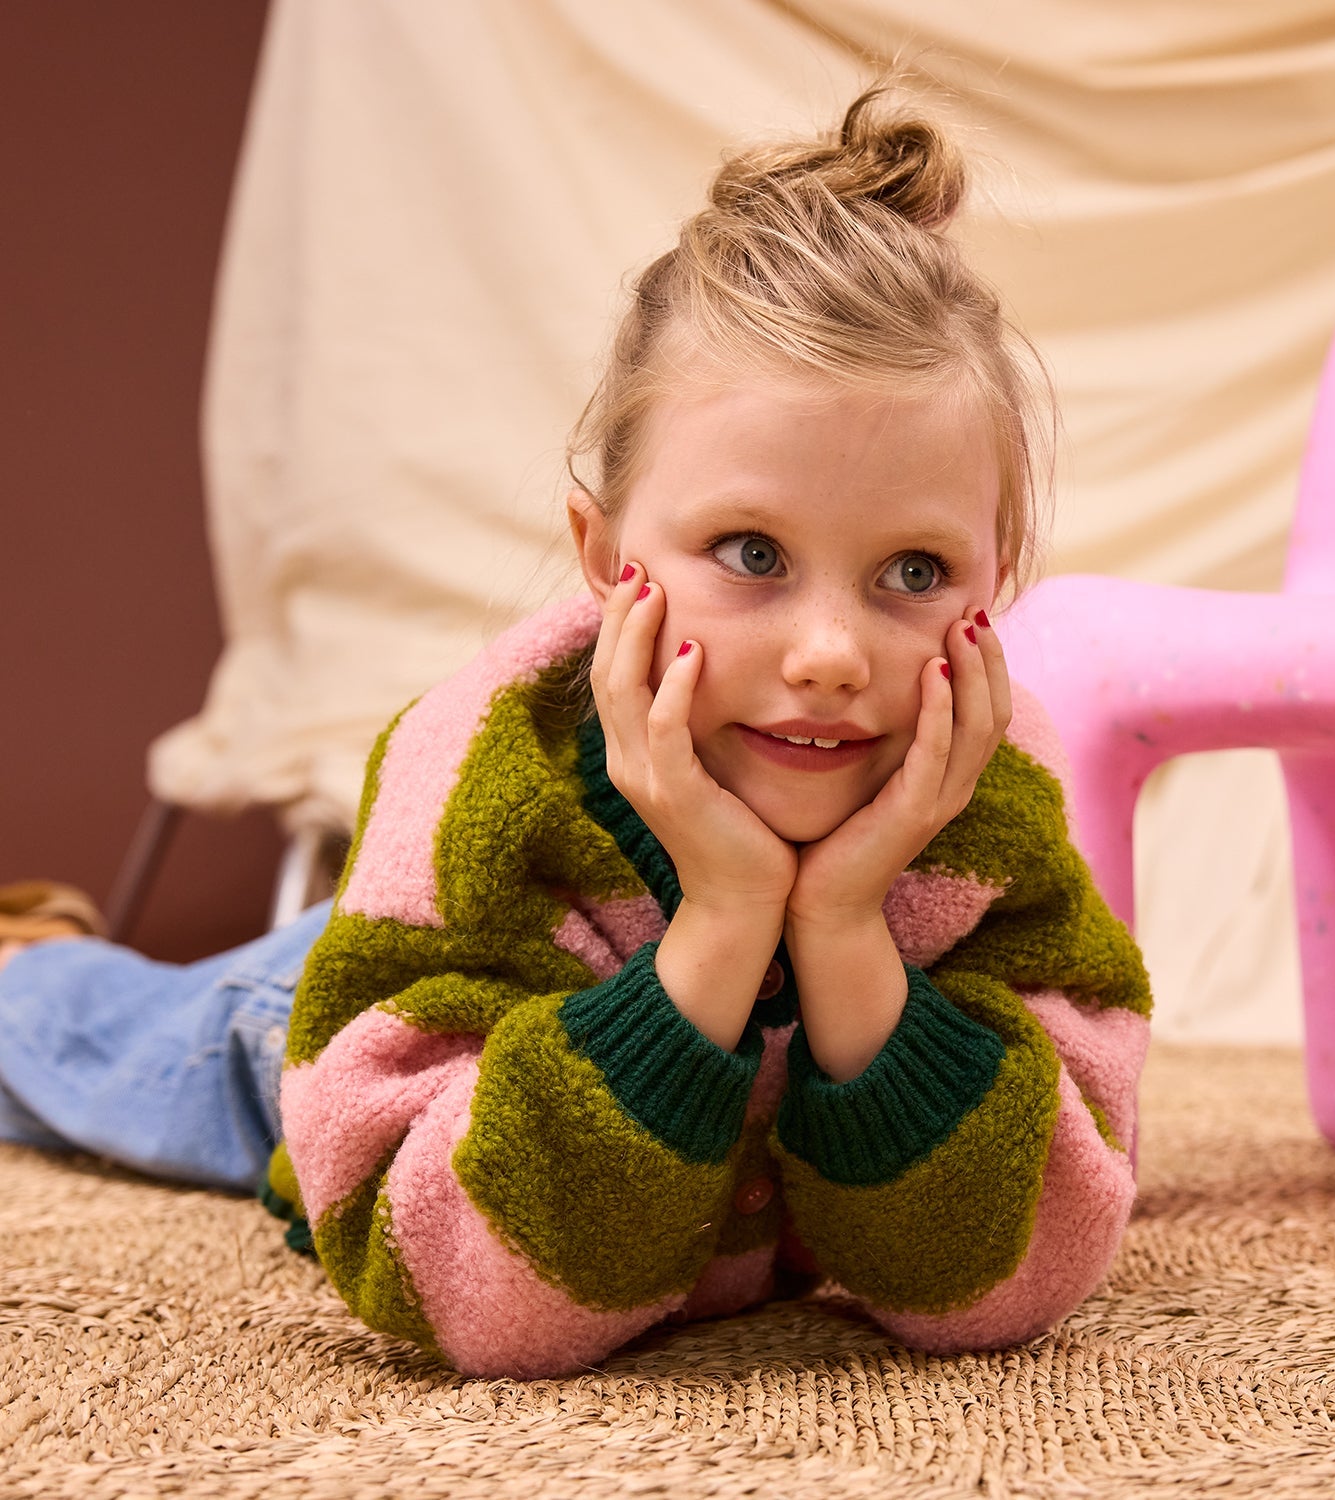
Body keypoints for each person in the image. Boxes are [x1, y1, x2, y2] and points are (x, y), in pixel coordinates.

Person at [0, 88, 1151, 1379]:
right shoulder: (486, 772)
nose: (830, 658)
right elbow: (464, 1293)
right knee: (122, 1047)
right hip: (420, 991)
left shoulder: (991, 792)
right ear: (604, 559)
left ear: (996, 583)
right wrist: (721, 923)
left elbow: (1026, 1259)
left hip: (552, 999)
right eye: (753, 553)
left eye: (914, 574)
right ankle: (29, 960)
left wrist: (837, 926)